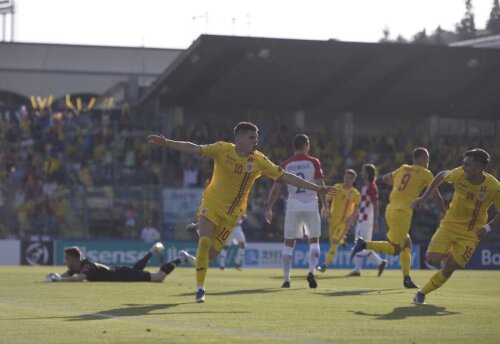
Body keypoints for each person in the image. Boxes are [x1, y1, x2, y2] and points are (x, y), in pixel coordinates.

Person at [147, 122, 334, 302]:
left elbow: (285, 176)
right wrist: (167, 143)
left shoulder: (259, 160)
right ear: (240, 139)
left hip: (231, 215)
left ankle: (188, 257)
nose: (256, 141)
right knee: (204, 242)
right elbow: (194, 148)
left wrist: (317, 188)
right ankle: (200, 289)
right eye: (252, 137)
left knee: (208, 256)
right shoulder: (222, 149)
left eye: (257, 137)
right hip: (211, 203)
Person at [410, 148, 500, 304]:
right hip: (449, 225)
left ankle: (422, 293)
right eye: (463, 163)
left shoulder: (493, 187)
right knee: (432, 260)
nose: (463, 167)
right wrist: (424, 198)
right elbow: (440, 176)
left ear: (478, 168)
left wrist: (489, 227)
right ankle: (450, 252)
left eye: (467, 164)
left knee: (449, 268)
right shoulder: (458, 174)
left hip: (471, 233)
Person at [350, 148, 446, 288]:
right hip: (402, 213)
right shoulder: (426, 173)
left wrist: (397, 183)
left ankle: (407, 279)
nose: (428, 162)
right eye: (427, 159)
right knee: (395, 249)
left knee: (406, 243)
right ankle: (363, 244)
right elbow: (436, 196)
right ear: (422, 159)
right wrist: (443, 211)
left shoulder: (403, 168)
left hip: (390, 210)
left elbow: (385, 178)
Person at [265, 134, 329, 289]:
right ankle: (311, 272)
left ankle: (286, 279)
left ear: (294, 146)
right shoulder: (313, 162)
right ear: (306, 145)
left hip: (293, 205)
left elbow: (275, 190)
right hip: (311, 205)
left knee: (289, 242)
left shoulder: (285, 164)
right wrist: (325, 205)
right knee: (314, 240)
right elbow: (321, 184)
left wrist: (269, 208)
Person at [45, 243, 195, 283]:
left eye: (66, 258)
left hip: (122, 274)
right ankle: (151, 251)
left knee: (159, 277)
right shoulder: (74, 267)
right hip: (122, 273)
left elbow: (79, 279)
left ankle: (181, 257)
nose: (65, 261)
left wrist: (59, 279)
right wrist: (55, 276)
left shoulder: (87, 265)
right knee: (136, 269)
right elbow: (65, 276)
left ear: (73, 258)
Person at [317, 169, 361, 273]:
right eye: (346, 177)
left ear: (353, 179)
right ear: (344, 177)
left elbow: (357, 207)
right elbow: (327, 199)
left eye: (350, 178)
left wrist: (351, 217)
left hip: (344, 223)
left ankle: (324, 265)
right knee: (333, 240)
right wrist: (325, 208)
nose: (347, 179)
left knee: (334, 242)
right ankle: (343, 241)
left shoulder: (355, 193)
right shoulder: (337, 187)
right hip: (332, 220)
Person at [347, 164, 387, 277]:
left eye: (363, 171)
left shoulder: (371, 187)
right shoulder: (366, 186)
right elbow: (362, 205)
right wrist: (354, 217)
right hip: (363, 219)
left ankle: (357, 270)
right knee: (364, 245)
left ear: (368, 173)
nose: (361, 173)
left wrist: (375, 221)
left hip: (366, 220)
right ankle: (380, 262)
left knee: (359, 243)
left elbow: (375, 203)